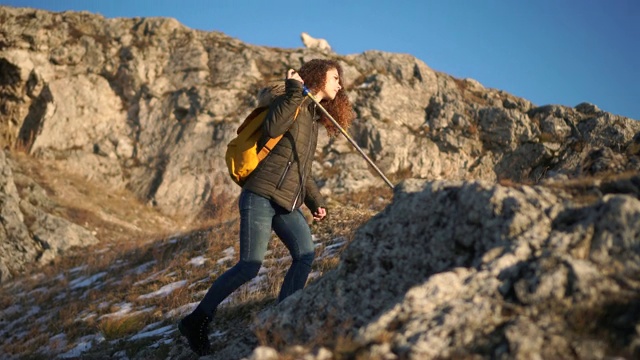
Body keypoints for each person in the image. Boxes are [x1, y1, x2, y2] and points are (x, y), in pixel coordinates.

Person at [178, 59, 355, 356]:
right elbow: (272, 126)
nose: (340, 84)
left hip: (286, 202)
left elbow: (301, 169)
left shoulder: (312, 119)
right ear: (317, 78)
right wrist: (293, 91)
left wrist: (316, 202)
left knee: (305, 254)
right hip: (259, 195)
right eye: (335, 77)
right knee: (249, 266)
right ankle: (196, 321)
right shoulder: (293, 102)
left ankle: (282, 320)